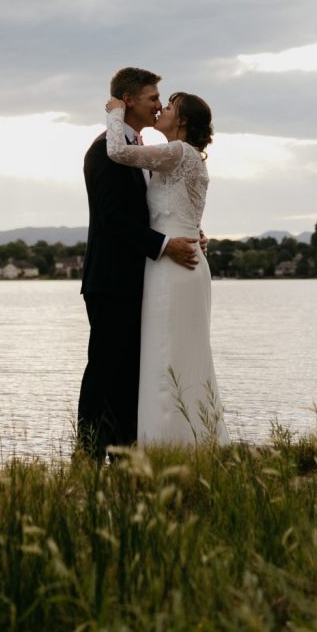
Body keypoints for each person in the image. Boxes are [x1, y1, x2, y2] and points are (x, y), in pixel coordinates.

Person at [77, 68, 200, 459]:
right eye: (152, 98)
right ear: (128, 101)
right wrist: (165, 244)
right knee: (105, 369)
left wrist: (188, 231)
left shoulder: (140, 151)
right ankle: (91, 455)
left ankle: (124, 452)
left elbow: (153, 210)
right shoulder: (103, 150)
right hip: (110, 281)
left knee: (130, 371)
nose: (158, 105)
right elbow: (112, 219)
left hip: (138, 280)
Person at [104, 88, 229, 446]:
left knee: (172, 353)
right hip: (178, 258)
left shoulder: (178, 152)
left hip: (176, 265)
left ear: (184, 120)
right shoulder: (185, 158)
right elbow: (180, 211)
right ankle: (180, 440)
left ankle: (171, 443)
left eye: (170, 106)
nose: (162, 109)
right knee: (172, 352)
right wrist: (199, 236)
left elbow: (117, 151)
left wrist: (115, 112)